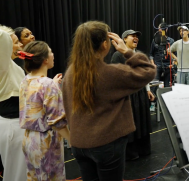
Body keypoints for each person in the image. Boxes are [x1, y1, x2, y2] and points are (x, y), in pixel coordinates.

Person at [62, 21, 156, 180]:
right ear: (105, 44)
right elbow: (148, 71)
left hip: (79, 145)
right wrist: (127, 51)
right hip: (106, 145)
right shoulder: (109, 74)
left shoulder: (70, 73)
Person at [19, 41, 70, 180]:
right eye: (51, 51)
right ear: (45, 60)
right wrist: (73, 140)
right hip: (45, 142)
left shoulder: (25, 80)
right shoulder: (48, 85)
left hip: (29, 139)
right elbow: (57, 122)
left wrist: (52, 84)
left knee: (35, 177)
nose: (53, 55)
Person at [111, 29, 155, 160]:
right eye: (132, 36)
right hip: (128, 95)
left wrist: (147, 90)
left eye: (137, 36)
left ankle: (144, 150)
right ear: (124, 39)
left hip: (141, 94)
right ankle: (131, 153)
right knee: (131, 123)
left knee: (142, 122)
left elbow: (145, 73)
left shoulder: (140, 55)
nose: (136, 38)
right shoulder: (117, 56)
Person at [0, 25, 27, 181]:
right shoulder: (3, 65)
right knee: (17, 174)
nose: (20, 46)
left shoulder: (11, 65)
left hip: (16, 124)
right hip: (12, 127)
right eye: (16, 42)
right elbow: (2, 36)